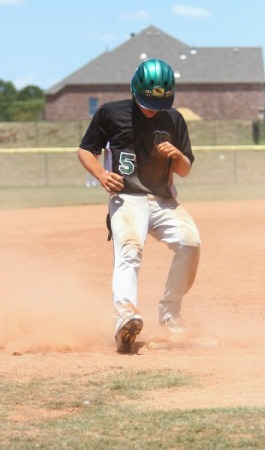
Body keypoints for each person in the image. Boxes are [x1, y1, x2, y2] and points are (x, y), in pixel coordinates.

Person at [77, 58, 200, 354]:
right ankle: (125, 318)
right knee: (130, 250)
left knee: (190, 243)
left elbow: (184, 169)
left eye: (158, 102)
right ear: (135, 89)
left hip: (162, 200)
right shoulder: (110, 113)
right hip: (126, 198)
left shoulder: (174, 119)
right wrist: (101, 174)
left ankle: (170, 313)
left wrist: (176, 155)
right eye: (146, 101)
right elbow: (85, 151)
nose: (151, 108)